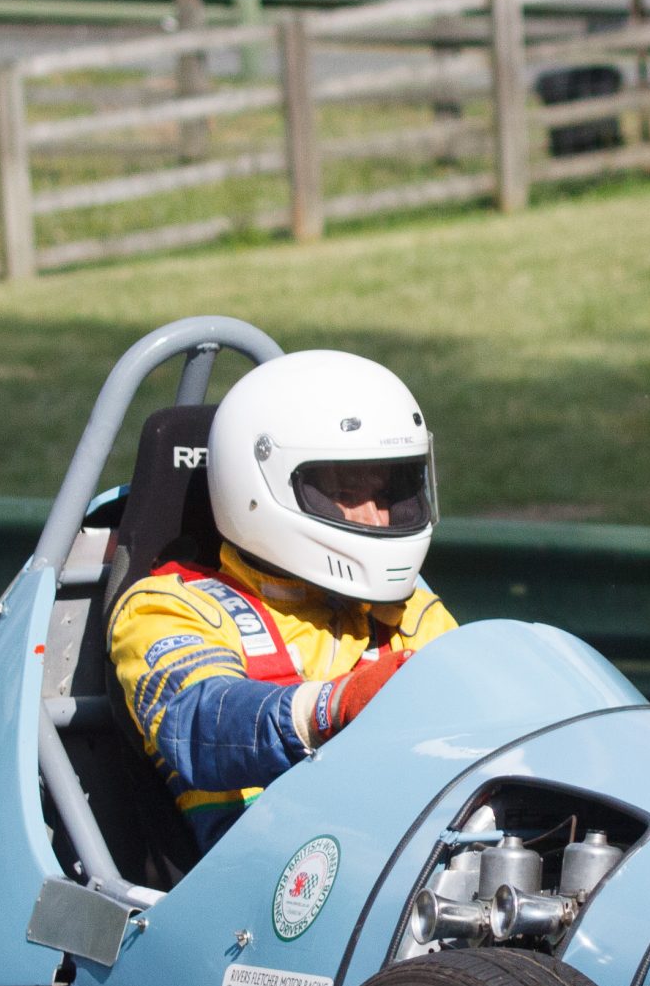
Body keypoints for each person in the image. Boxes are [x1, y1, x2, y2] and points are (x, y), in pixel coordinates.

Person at [109, 350, 456, 845]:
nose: (376, 518)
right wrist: (332, 706)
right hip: (259, 870)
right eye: (347, 493)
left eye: (387, 494)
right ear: (260, 489)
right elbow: (196, 725)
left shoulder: (409, 610)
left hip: (407, 851)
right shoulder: (170, 606)